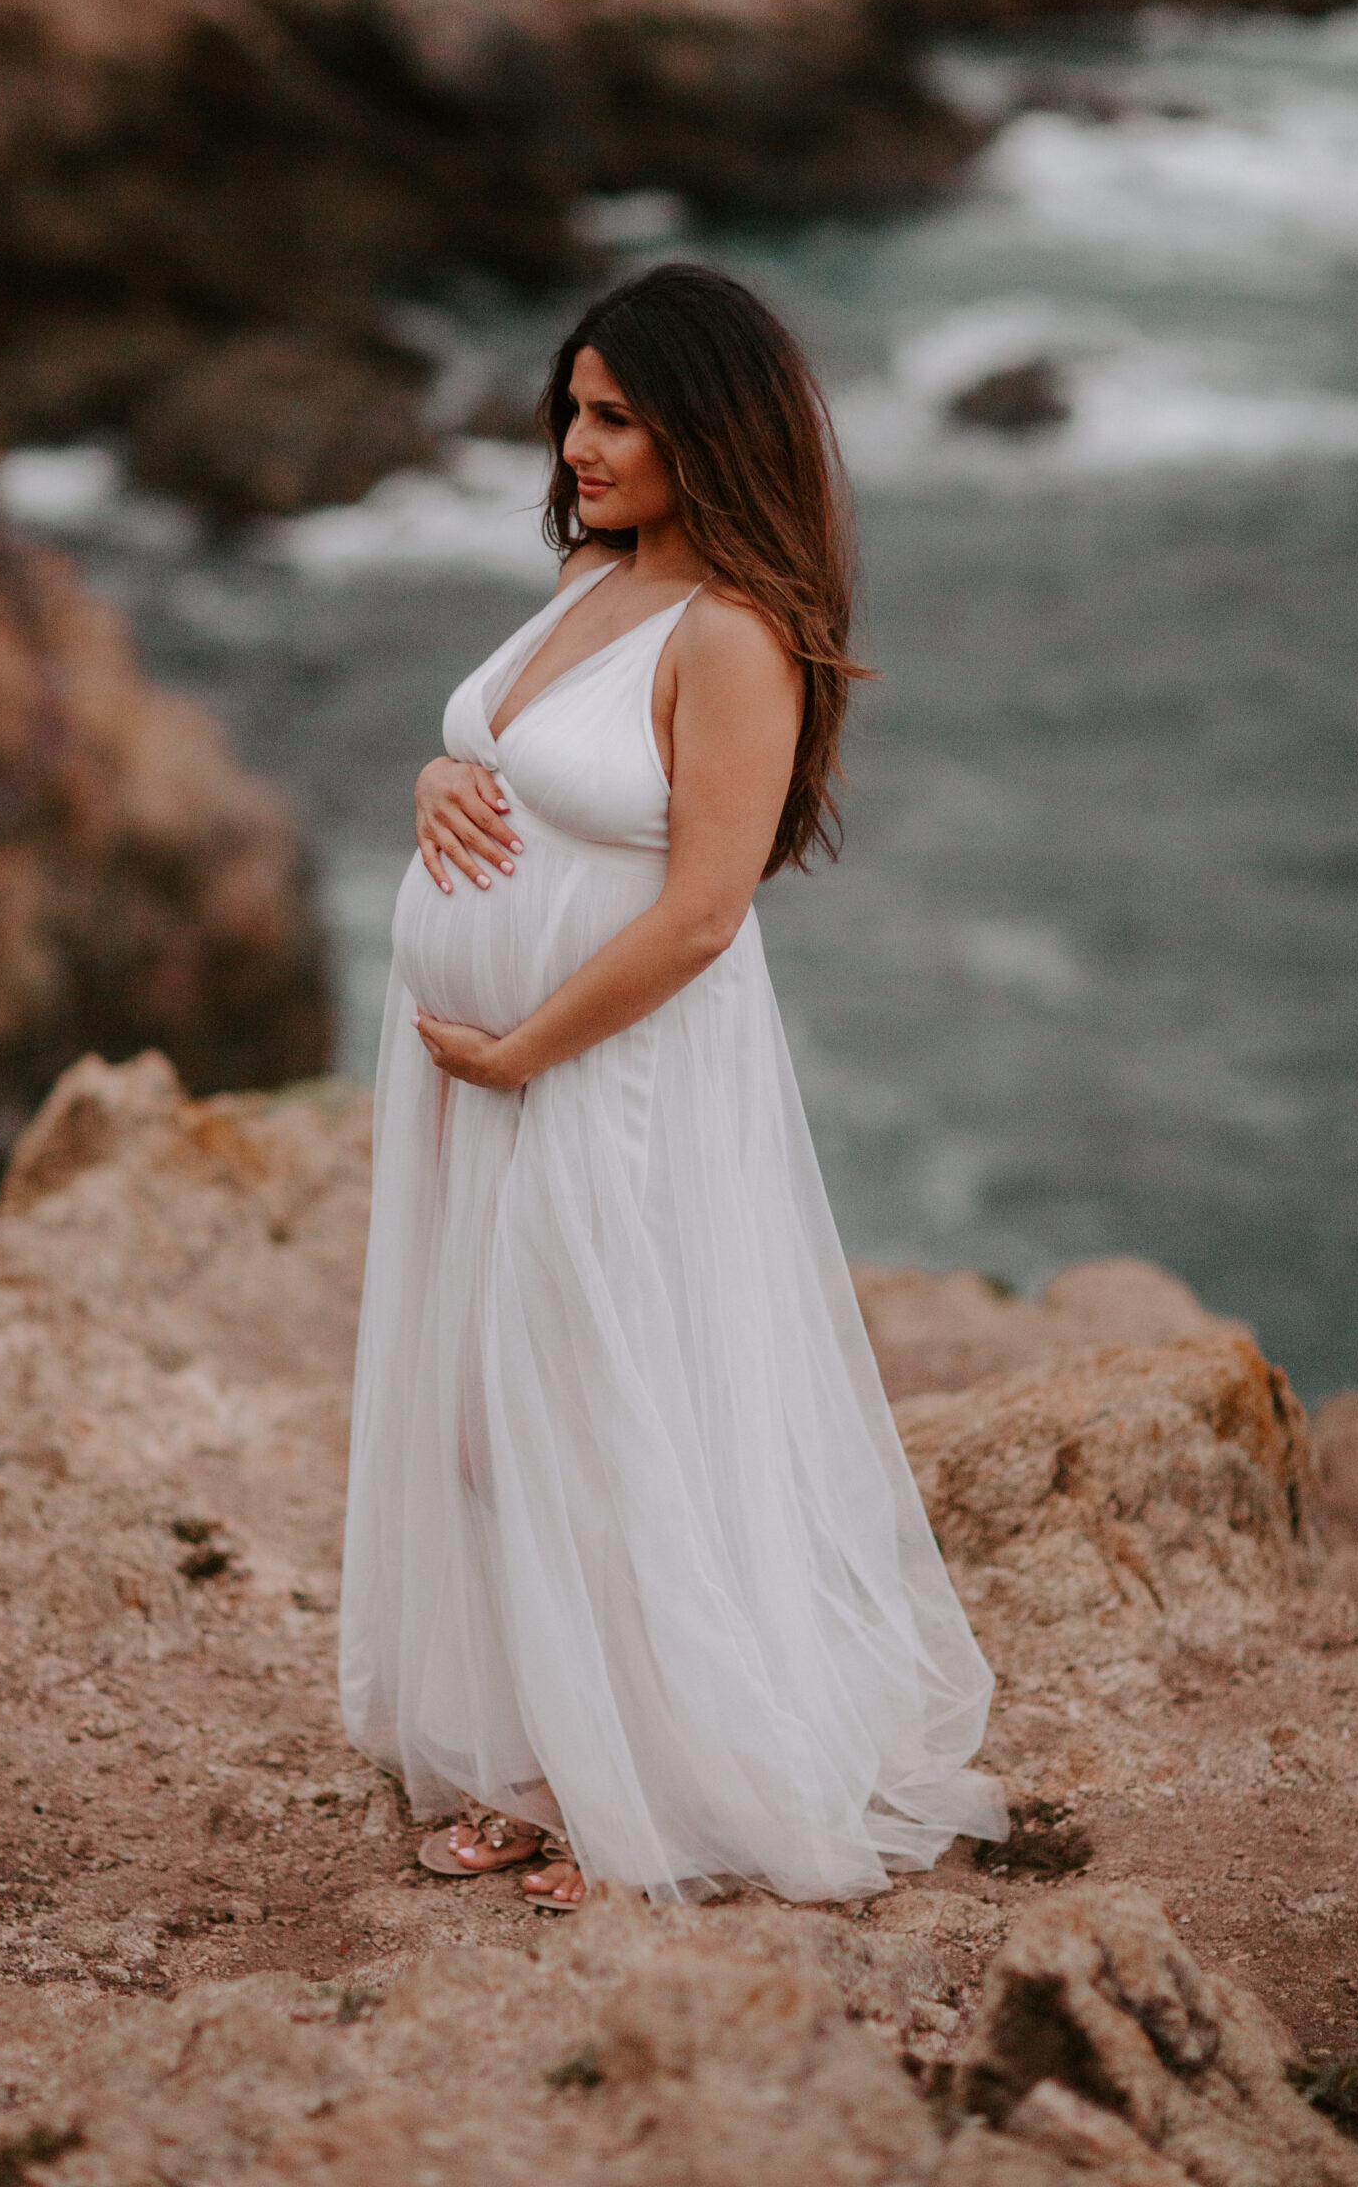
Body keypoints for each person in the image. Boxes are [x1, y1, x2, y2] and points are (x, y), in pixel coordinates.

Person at [339, 263, 1005, 1911]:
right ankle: (538, 1751)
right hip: (481, 1080)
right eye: (572, 408)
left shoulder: (739, 635)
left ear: (708, 430)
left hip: (596, 1074)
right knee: (489, 1424)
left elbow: (707, 909)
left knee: (595, 1409)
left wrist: (522, 1047)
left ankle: (637, 1804)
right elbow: (506, 755)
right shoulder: (603, 582)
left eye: (617, 417)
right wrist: (441, 774)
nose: (577, 444)